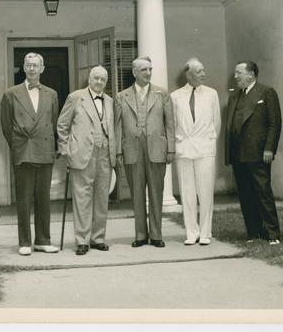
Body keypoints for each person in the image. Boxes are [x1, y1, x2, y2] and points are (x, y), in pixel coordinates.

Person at [1, 52, 59, 256]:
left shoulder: (51, 94)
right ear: (23, 68)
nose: (32, 69)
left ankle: (43, 240)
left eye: (36, 65)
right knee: (24, 198)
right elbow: (6, 125)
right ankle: (24, 242)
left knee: (43, 198)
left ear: (42, 69)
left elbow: (53, 123)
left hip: (44, 150)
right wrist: (18, 144)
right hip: (23, 150)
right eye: (29, 65)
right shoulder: (11, 93)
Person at [115, 56, 175, 248]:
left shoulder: (162, 94)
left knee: (157, 192)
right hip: (132, 149)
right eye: (144, 70)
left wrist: (171, 149)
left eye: (150, 69)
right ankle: (141, 235)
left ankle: (156, 235)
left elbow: (170, 124)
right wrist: (118, 151)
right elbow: (117, 127)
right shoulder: (121, 96)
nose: (148, 73)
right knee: (137, 193)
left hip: (157, 148)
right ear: (134, 73)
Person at [57, 66, 115, 256]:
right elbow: (62, 125)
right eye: (96, 78)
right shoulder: (76, 97)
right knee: (82, 198)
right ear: (89, 79)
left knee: (101, 198)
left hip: (104, 154)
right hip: (82, 154)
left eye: (102, 79)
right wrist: (66, 150)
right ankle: (82, 240)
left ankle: (98, 238)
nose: (99, 82)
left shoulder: (109, 101)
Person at [225, 61, 282, 244]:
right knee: (245, 193)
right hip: (238, 154)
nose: (235, 77)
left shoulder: (266, 92)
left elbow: (274, 124)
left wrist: (269, 149)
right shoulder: (235, 96)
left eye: (239, 73)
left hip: (258, 153)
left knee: (263, 192)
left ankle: (273, 233)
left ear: (251, 75)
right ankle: (253, 232)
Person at [171, 58, 221, 246]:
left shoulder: (211, 94)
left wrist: (210, 143)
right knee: (187, 192)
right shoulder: (176, 96)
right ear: (189, 74)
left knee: (205, 191)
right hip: (184, 149)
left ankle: (205, 232)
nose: (204, 74)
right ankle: (192, 232)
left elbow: (216, 122)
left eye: (204, 70)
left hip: (205, 149)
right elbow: (174, 124)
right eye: (199, 71)